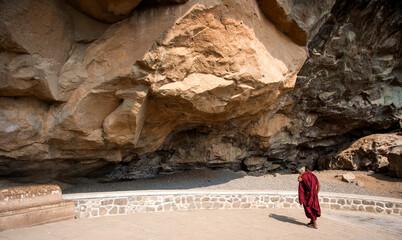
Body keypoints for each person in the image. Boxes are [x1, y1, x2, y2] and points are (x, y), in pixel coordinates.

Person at [298, 164, 321, 229]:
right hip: (314, 194)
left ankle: (315, 224)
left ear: (306, 169)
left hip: (307, 195)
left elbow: (299, 181)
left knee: (309, 208)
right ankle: (311, 221)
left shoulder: (304, 176)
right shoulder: (314, 176)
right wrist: (316, 192)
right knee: (313, 207)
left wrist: (300, 176)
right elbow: (319, 185)